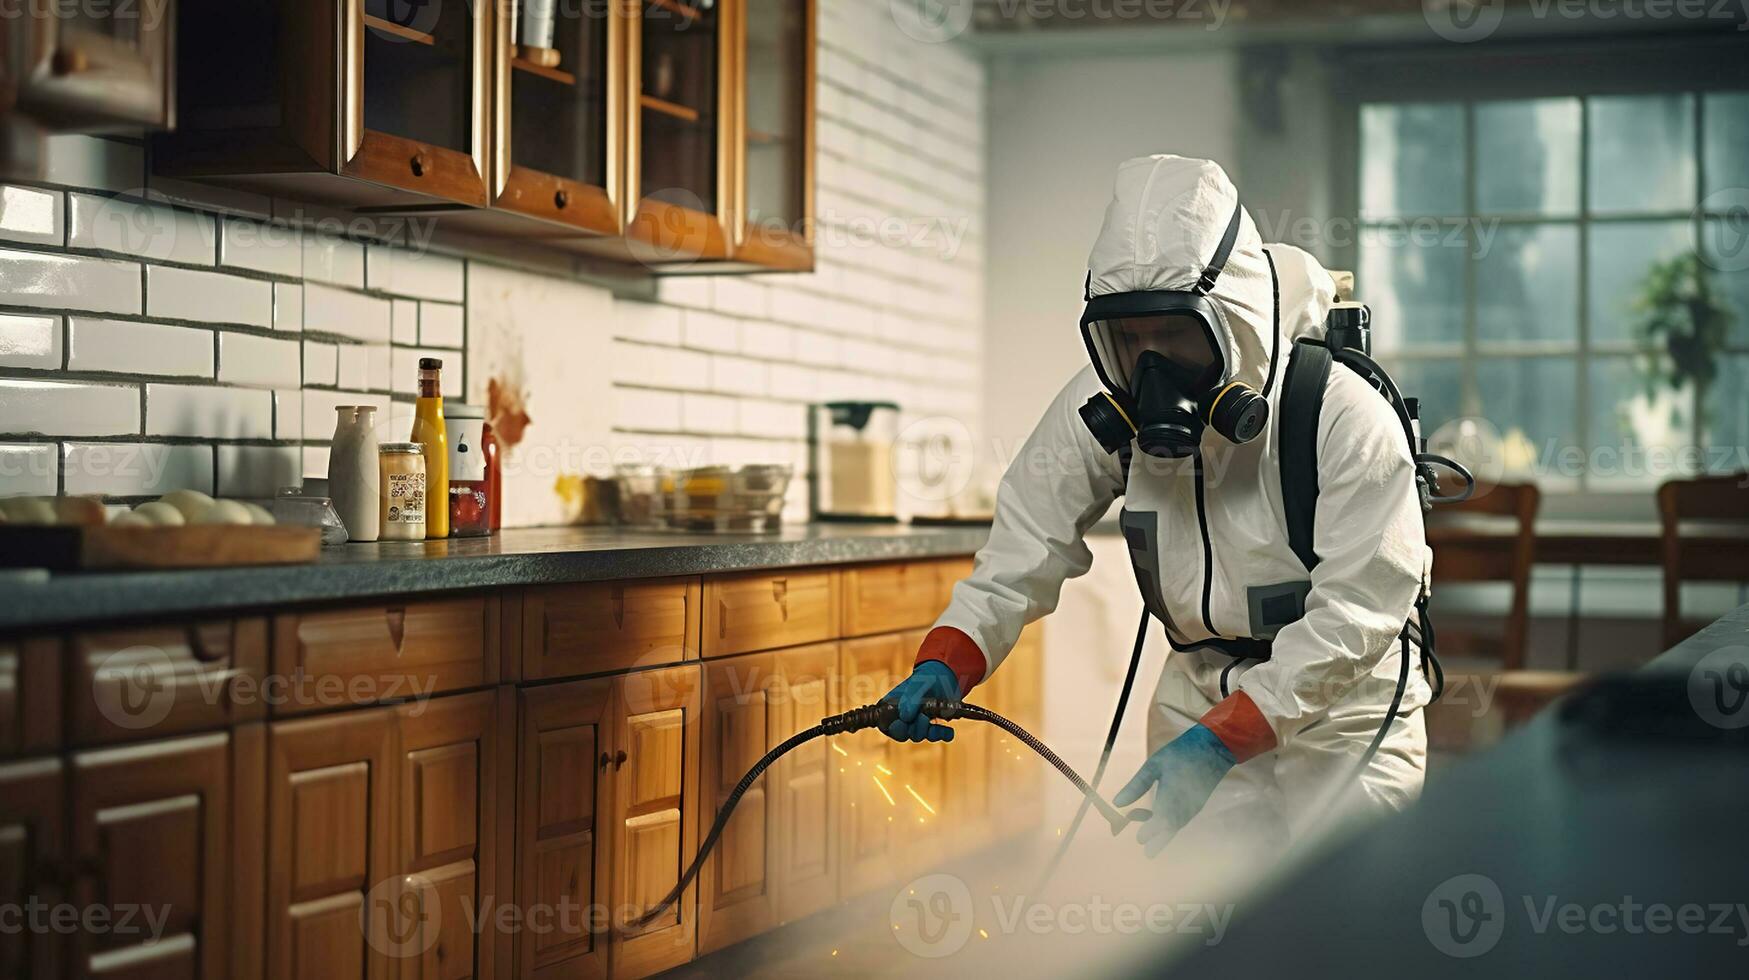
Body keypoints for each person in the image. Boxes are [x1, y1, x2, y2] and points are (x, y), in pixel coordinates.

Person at [880, 155, 1432, 856]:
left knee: (1347, 913)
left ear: (1230, 322)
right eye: (1128, 338)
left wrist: (1230, 736)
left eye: (1172, 336)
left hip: (1342, 705)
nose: (1148, 366)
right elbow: (1022, 548)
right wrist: (949, 656)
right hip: (1197, 691)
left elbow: (1361, 608)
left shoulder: (1337, 413)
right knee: (1192, 921)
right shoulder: (1105, 407)